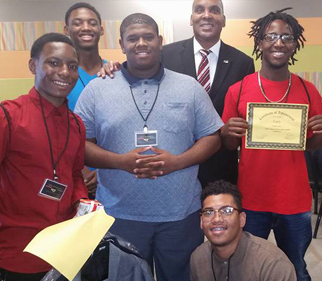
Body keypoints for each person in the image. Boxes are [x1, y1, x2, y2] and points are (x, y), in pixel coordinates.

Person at [74, 13, 223, 281]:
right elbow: (79, 144)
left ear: (160, 41)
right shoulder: (97, 89)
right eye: (133, 38)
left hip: (180, 214)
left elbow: (212, 137)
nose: (141, 43)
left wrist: (177, 162)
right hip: (119, 215)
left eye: (148, 37)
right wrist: (121, 162)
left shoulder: (189, 87)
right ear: (121, 44)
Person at [221, 8, 322, 281]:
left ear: (295, 43)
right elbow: (228, 146)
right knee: (246, 268)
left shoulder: (308, 90)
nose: (279, 42)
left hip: (294, 201)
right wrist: (227, 131)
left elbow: (310, 145)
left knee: (295, 268)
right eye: (271, 36)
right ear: (259, 42)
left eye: (287, 36)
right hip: (251, 199)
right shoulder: (238, 89)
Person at [0, 33, 87, 281]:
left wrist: (84, 205)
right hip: (17, 254)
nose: (64, 72)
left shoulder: (76, 125)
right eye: (54, 63)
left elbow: (74, 178)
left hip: (64, 252)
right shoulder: (5, 117)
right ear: (33, 65)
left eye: (72, 66)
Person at [161, 0, 255, 186]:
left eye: (214, 10)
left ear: (223, 20)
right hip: (174, 163)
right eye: (199, 10)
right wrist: (114, 68)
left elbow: (245, 113)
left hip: (221, 166)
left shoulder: (243, 63)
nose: (206, 15)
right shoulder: (165, 55)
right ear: (191, 19)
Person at [191, 180, 297, 281]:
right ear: (201, 222)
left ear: (242, 219)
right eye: (209, 212)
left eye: (227, 211)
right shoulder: (198, 258)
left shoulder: (272, 265)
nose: (217, 219)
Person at [64, 2, 105, 195]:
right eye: (78, 23)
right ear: (67, 30)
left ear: (101, 30)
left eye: (92, 23)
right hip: (71, 173)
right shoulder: (59, 77)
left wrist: (104, 170)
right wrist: (81, 169)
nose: (86, 28)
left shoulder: (117, 72)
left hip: (113, 174)